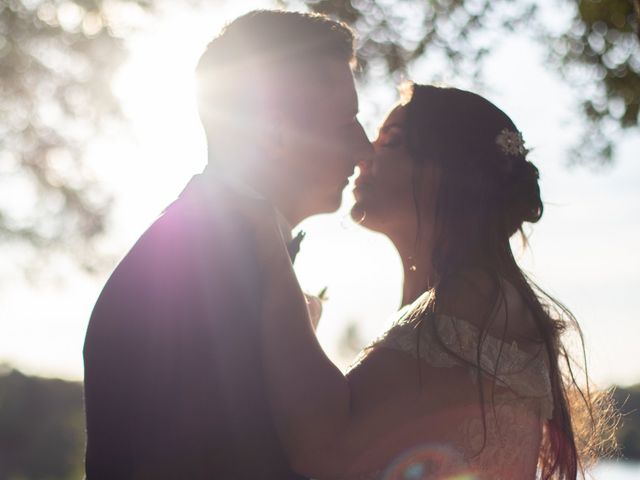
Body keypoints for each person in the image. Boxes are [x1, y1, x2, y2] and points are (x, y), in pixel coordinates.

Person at [246, 84, 615, 479]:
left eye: (391, 141)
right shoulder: (460, 303)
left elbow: (328, 456)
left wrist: (270, 251)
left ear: (445, 170)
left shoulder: (476, 300)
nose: (365, 154)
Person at [82, 10, 370, 479]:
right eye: (346, 123)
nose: (365, 148)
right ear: (276, 132)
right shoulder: (199, 268)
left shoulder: (222, 247)